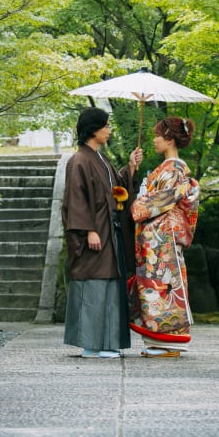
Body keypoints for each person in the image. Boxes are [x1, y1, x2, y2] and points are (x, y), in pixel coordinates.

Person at [62, 107, 143, 359]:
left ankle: (107, 343)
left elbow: (115, 188)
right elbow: (76, 199)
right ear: (93, 129)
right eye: (105, 126)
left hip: (111, 232)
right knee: (95, 285)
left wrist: (130, 167)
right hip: (96, 234)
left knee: (111, 286)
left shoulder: (99, 159)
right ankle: (91, 345)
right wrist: (88, 230)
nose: (109, 130)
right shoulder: (79, 161)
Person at [128, 116, 200, 358]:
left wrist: (139, 201)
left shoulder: (175, 168)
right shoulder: (168, 168)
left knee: (165, 287)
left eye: (158, 135)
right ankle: (158, 341)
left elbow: (161, 201)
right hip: (158, 239)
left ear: (169, 138)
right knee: (156, 287)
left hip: (163, 239)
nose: (154, 140)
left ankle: (169, 342)